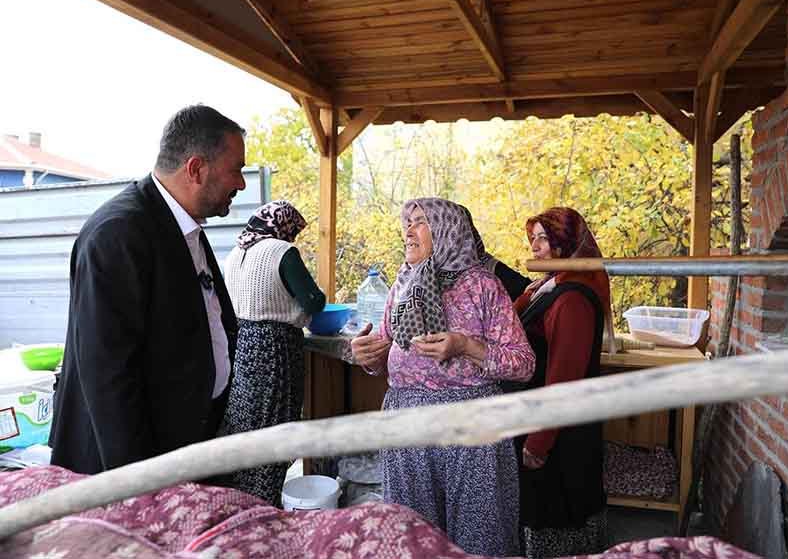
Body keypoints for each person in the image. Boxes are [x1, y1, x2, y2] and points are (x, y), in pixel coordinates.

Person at [49, 105, 246, 475]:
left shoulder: (182, 227)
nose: (241, 183)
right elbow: (108, 377)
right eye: (235, 169)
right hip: (134, 470)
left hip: (186, 448)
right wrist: (138, 488)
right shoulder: (117, 234)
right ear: (196, 169)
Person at [351, 197, 534, 557]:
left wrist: (466, 346)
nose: (408, 230)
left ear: (447, 231)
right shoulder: (402, 285)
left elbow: (523, 364)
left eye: (420, 222)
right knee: (412, 536)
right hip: (407, 425)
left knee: (478, 537)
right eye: (407, 222)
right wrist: (369, 357)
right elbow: (388, 353)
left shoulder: (483, 287)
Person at [506, 206, 611, 557]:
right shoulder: (555, 286)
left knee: (558, 510)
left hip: (560, 433)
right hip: (545, 421)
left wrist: (539, 443)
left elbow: (563, 379)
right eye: (532, 238)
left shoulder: (572, 300)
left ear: (564, 243)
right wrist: (530, 294)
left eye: (542, 239)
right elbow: (514, 320)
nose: (534, 247)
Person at [220, 200, 325, 505]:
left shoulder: (237, 252)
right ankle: (265, 505)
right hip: (275, 349)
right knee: (275, 424)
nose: (292, 238)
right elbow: (312, 302)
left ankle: (245, 503)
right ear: (285, 226)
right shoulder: (281, 252)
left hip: (243, 345)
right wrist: (318, 297)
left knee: (248, 423)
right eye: (293, 230)